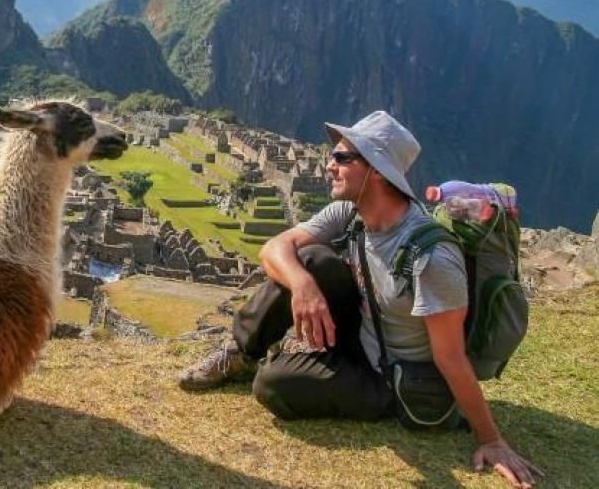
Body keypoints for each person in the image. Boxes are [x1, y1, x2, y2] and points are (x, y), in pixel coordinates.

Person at [177, 111, 543, 488]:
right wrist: (304, 286)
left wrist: (490, 439)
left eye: (341, 158)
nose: (328, 166)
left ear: (378, 171)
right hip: (363, 334)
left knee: (273, 385)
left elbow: (450, 357)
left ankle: (298, 370)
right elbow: (274, 248)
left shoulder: (431, 259)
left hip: (393, 379)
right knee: (308, 260)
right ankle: (239, 353)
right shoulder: (349, 212)